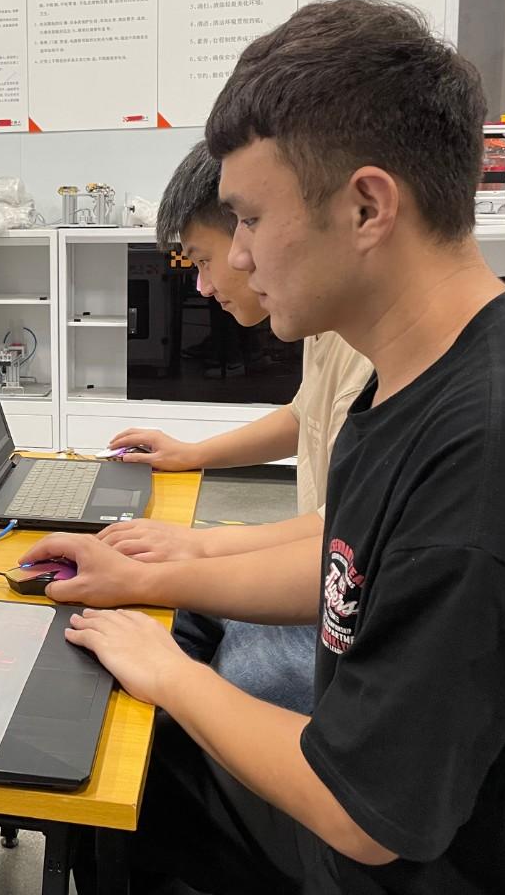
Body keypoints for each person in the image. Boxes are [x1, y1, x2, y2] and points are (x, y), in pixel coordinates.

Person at [25, 0, 505, 893]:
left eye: (248, 219)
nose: (238, 259)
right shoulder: (440, 374)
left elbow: (361, 817)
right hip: (462, 819)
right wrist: (163, 573)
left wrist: (166, 673)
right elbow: (352, 572)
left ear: (366, 208)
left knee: (133, 758)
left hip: (478, 865)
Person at [104, 139, 371, 713]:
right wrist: (192, 454)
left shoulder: (387, 364)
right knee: (165, 615)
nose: (235, 264)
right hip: (332, 577)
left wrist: (195, 549)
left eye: (250, 223)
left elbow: (344, 548)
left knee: (230, 671)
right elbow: (304, 415)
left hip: (343, 612)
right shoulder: (332, 324)